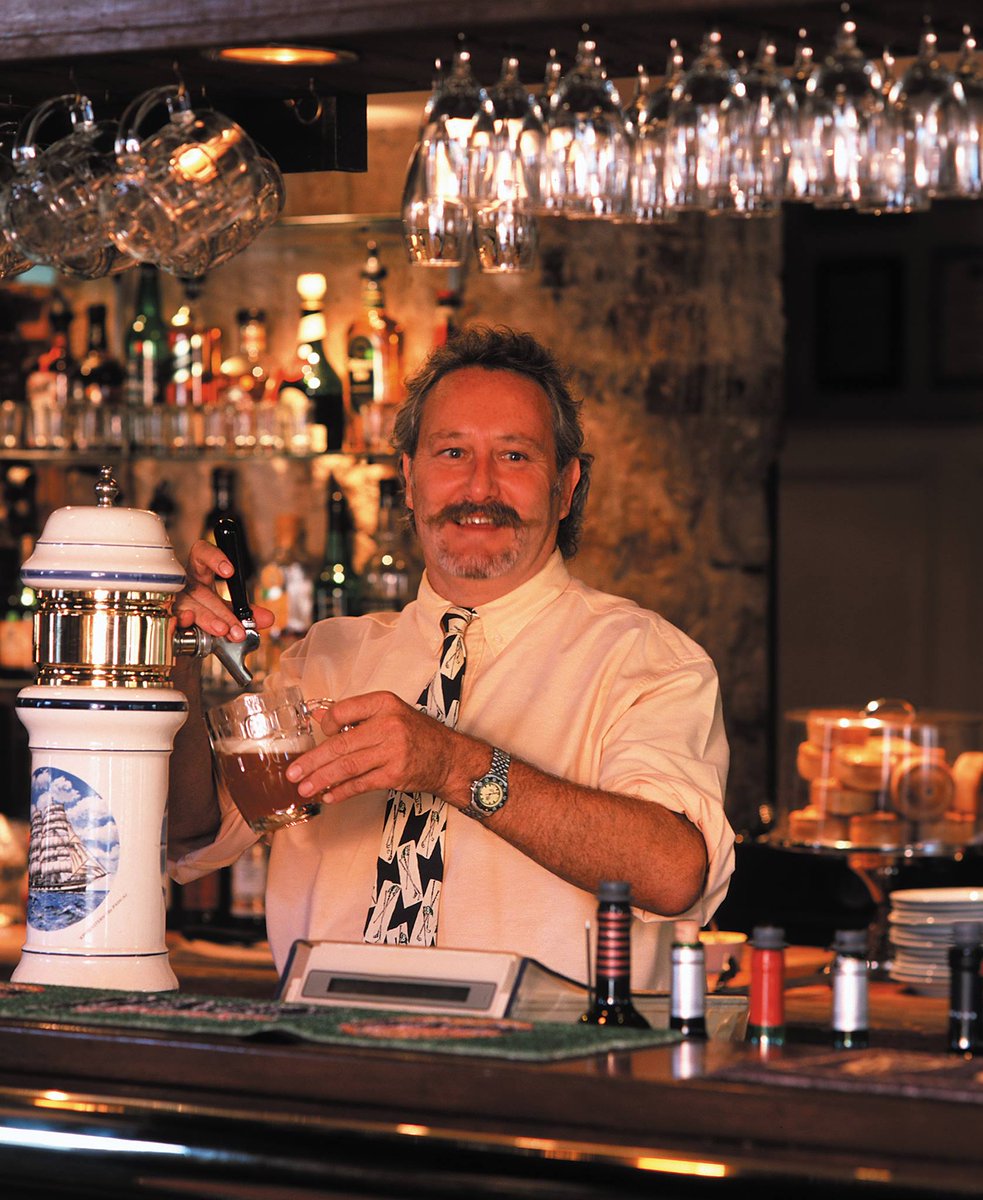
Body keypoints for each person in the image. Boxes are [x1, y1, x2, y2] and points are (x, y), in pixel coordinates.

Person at [168, 326, 734, 989]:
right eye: (452, 452)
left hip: (542, 1051)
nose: (479, 486)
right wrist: (174, 656)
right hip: (327, 1037)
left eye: (515, 456)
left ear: (565, 486)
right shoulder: (324, 657)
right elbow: (191, 828)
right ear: (409, 480)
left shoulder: (648, 660)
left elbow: (672, 875)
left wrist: (453, 765)